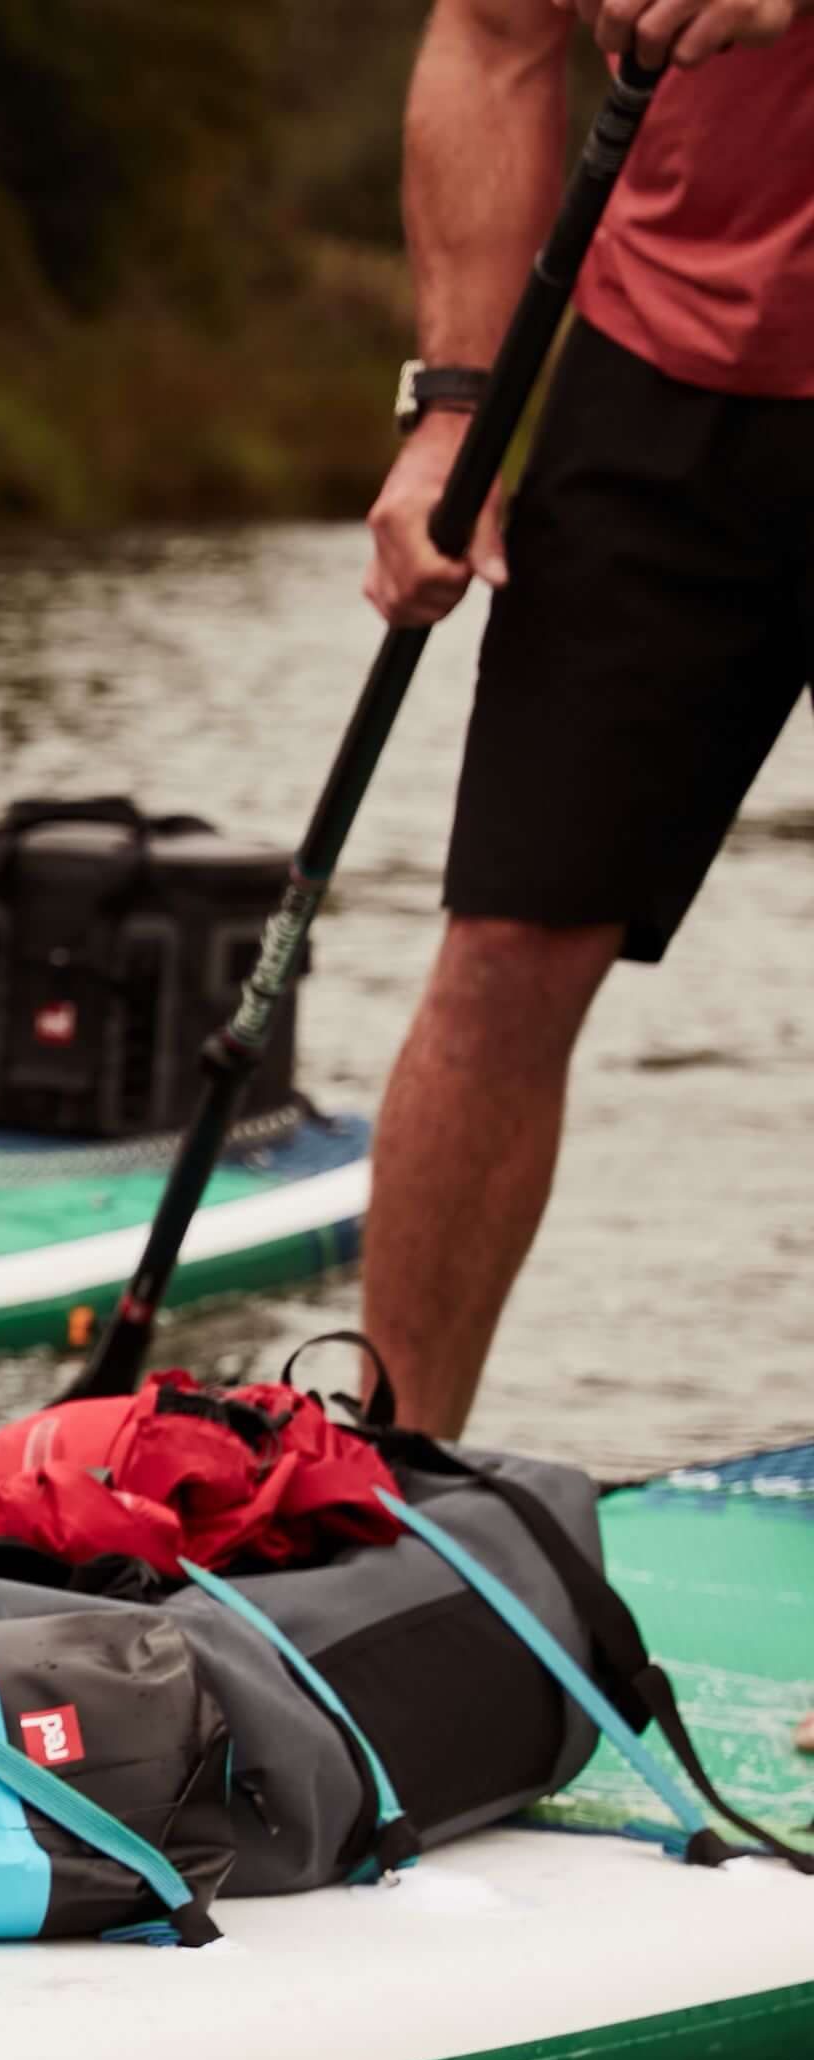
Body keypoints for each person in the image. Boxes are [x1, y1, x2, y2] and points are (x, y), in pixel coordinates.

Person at [363, 0, 807, 1431]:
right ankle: (393, 1494)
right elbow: (493, 39)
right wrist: (454, 408)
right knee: (505, 946)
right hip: (663, 363)